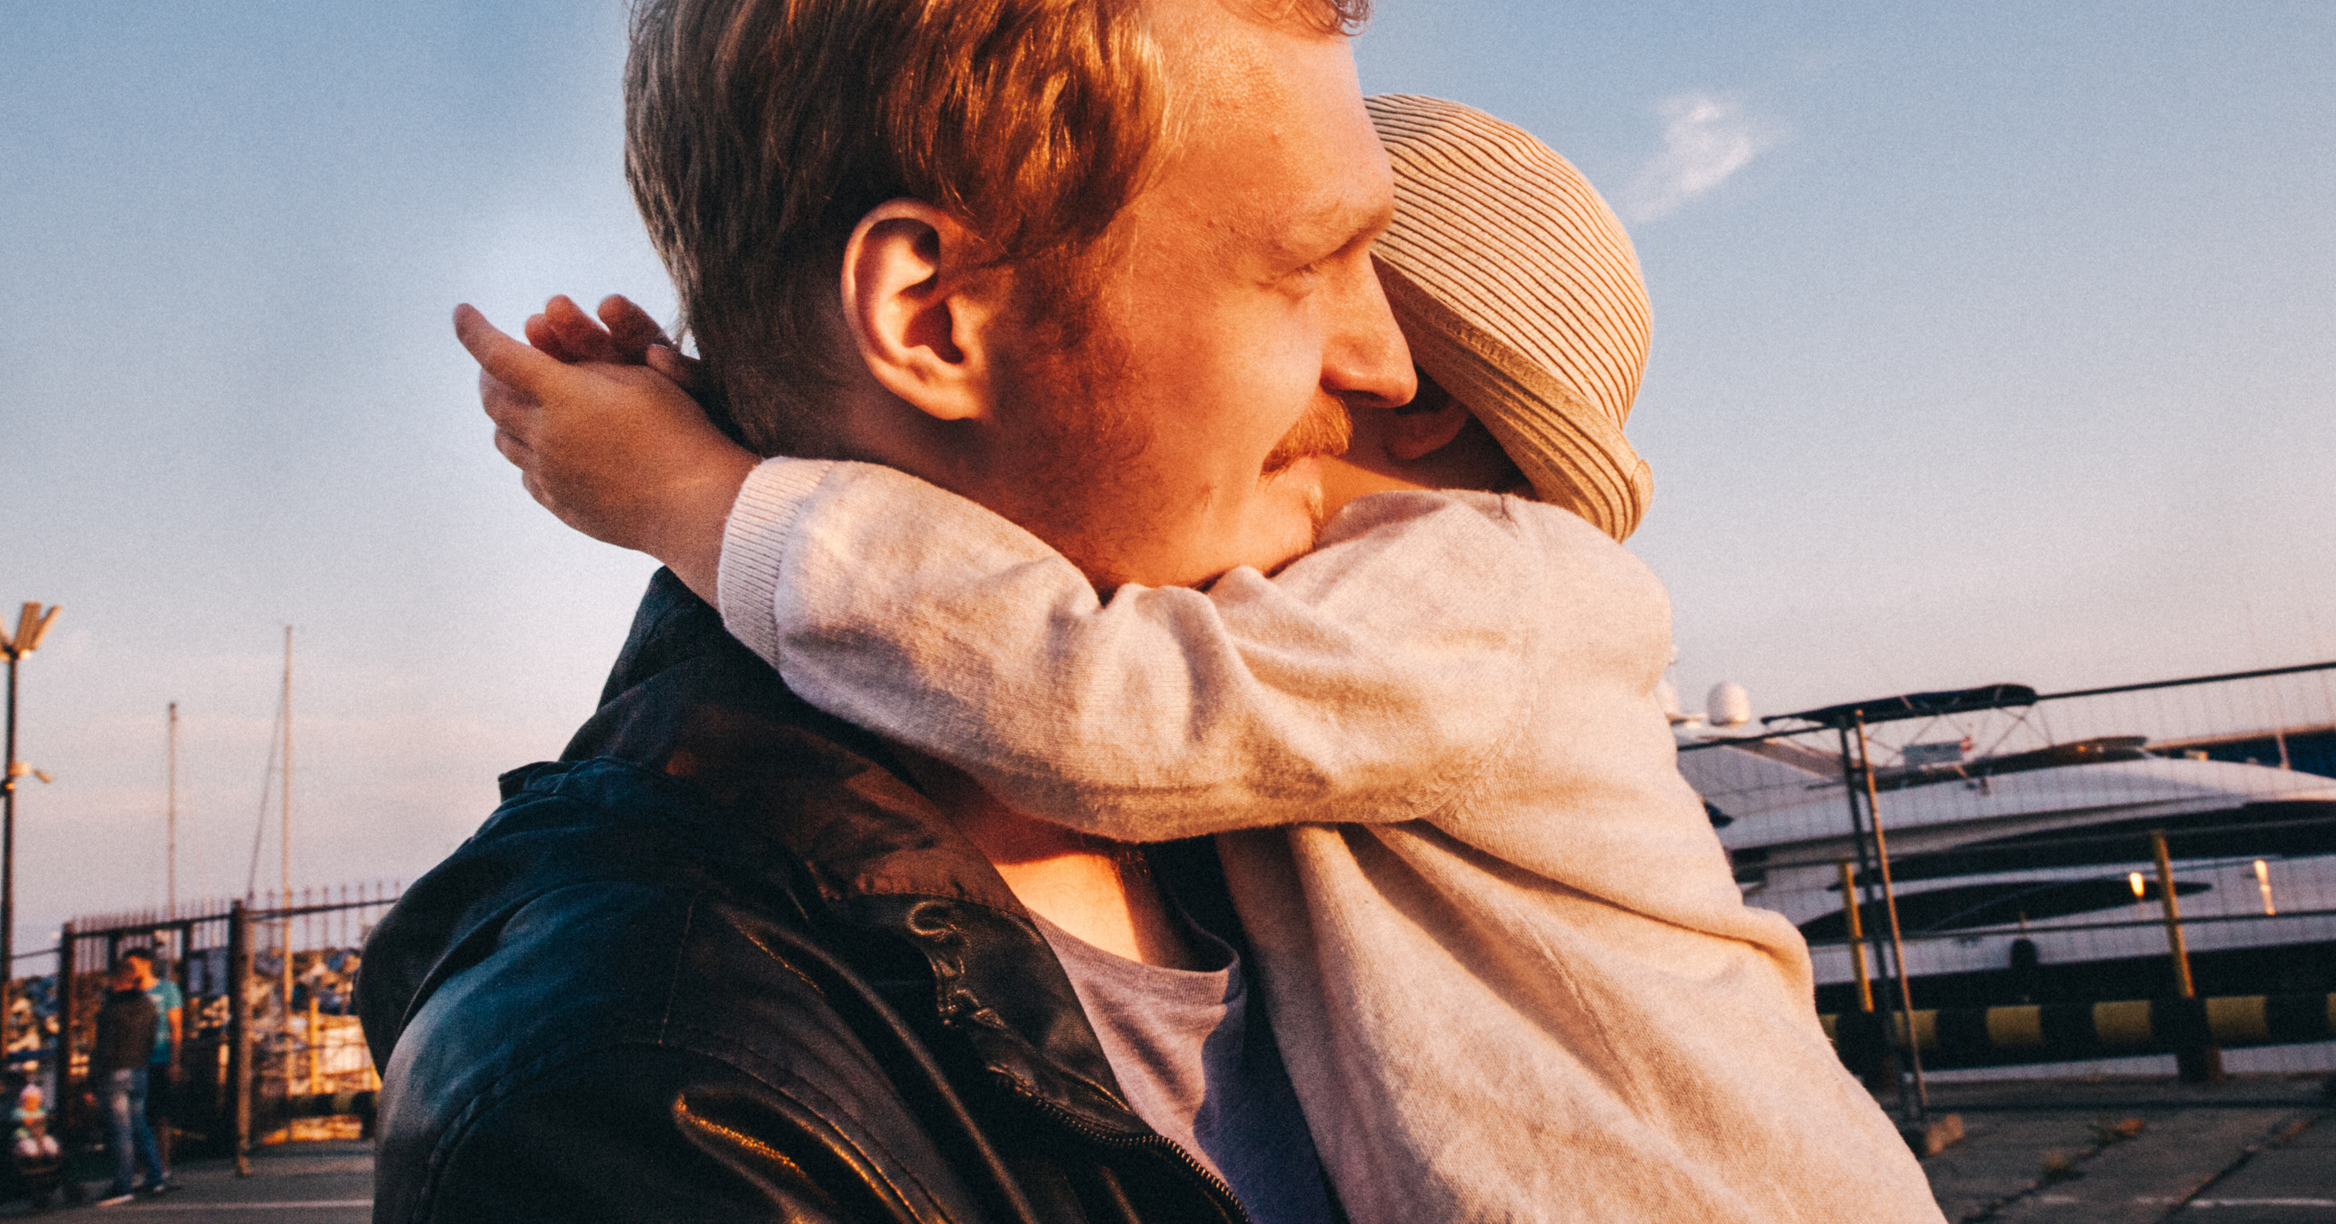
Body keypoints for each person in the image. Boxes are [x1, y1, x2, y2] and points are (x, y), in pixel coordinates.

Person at [474, 97, 1940, 1222]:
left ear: (1409, 392)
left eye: (1310, 270)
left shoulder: (1497, 584)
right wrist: (741, 418)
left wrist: (702, 500)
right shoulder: (1341, 627)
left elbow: (1094, 691)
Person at [363, 0, 1418, 1222]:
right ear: (932, 318)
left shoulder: (1288, 799)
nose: (1391, 361)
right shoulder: (648, 1092)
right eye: (1306, 263)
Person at [88, 950, 168, 1203]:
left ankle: (123, 1185)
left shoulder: (112, 1008)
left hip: (115, 1071)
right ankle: (156, 1176)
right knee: (140, 1125)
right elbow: (151, 1039)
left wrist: (93, 1081)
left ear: (117, 980)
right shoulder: (147, 1005)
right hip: (139, 1069)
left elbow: (103, 1047)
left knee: (120, 1131)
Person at [135, 950, 185, 1180]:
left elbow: (176, 1026)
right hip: (136, 1060)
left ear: (146, 963)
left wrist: (174, 1061)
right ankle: (141, 1168)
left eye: (133, 963)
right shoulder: (131, 991)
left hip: (160, 1058)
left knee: (160, 1117)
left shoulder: (167, 990)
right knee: (138, 1116)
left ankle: (163, 1167)